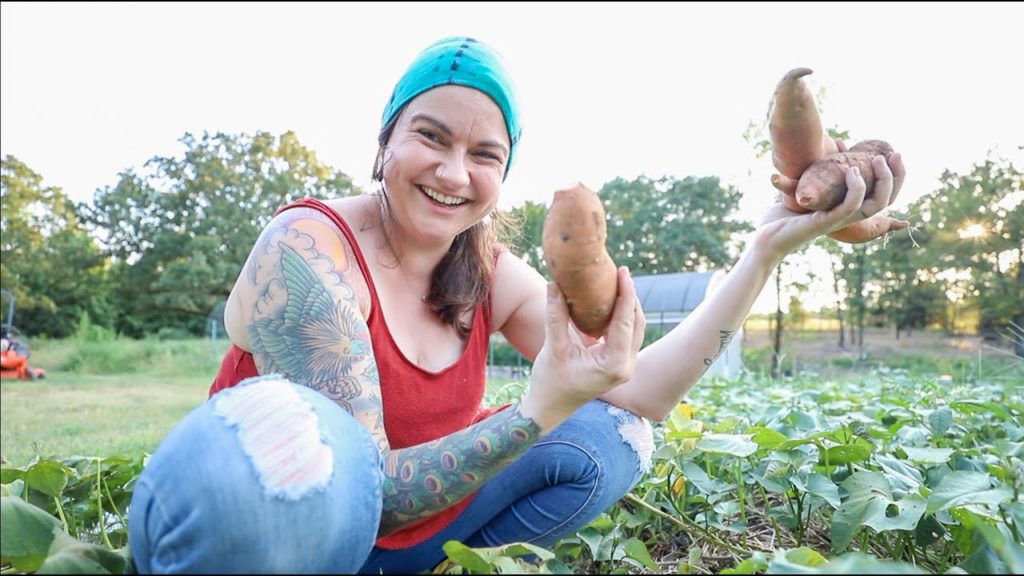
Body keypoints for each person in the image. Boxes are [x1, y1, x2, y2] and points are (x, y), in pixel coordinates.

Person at [127, 36, 906, 574]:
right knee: (301, 448)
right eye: (430, 137)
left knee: (614, 434)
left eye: (485, 154)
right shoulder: (308, 251)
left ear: (506, 170)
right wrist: (535, 406)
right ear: (386, 141)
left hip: (396, 542)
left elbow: (638, 388)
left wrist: (764, 249)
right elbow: (367, 493)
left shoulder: (486, 267)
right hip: (281, 532)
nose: (454, 172)